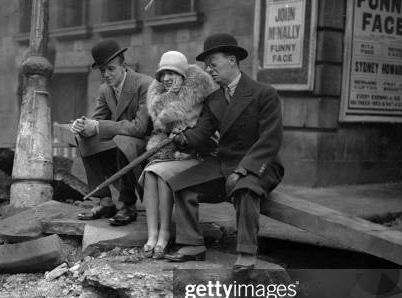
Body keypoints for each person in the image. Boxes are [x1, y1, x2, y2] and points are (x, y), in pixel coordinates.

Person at [164, 33, 284, 271]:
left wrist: (242, 170)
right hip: (225, 162)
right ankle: (193, 245)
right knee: (181, 185)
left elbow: (270, 140)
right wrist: (183, 139)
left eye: (213, 63)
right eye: (206, 65)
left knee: (245, 189)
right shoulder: (214, 99)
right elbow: (201, 133)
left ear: (232, 60)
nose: (209, 70)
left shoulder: (264, 93)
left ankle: (247, 253)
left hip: (260, 163)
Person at [140, 51, 216, 259]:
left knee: (161, 174)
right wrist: (168, 98)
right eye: (162, 74)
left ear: (182, 76)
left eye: (171, 74)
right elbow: (159, 125)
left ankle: (165, 234)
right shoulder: (162, 97)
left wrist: (184, 140)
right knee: (151, 172)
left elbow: (201, 134)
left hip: (196, 155)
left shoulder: (197, 96)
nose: (165, 79)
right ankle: (152, 234)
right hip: (171, 151)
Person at [71, 39, 153, 226]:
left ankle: (127, 204)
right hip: (122, 140)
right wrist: (82, 126)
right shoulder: (105, 90)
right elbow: (96, 121)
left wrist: (98, 126)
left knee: (124, 140)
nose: (106, 75)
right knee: (85, 139)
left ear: (123, 66)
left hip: (147, 144)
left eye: (111, 69)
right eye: (102, 71)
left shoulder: (145, 84)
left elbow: (140, 128)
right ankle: (104, 201)